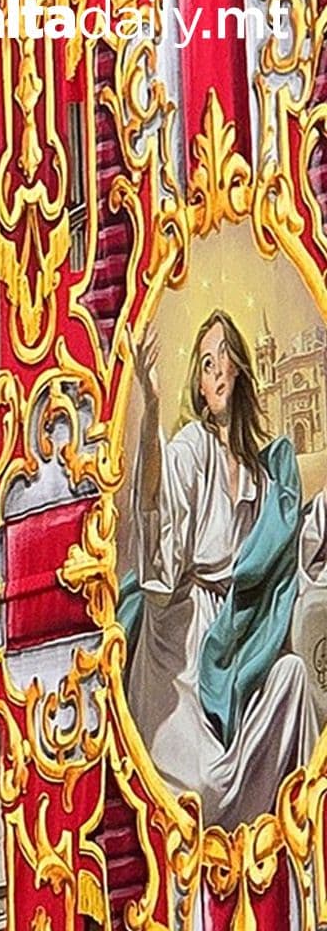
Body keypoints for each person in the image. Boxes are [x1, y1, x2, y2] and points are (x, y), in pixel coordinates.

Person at [123, 308, 327, 829]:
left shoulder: (266, 472)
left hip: (243, 632)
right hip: (182, 637)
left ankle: (301, 852)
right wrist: (149, 408)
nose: (215, 371)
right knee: (207, 789)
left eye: (223, 359)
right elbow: (156, 513)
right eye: (205, 361)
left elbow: (285, 554)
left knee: (293, 678)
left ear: (241, 369)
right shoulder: (192, 448)